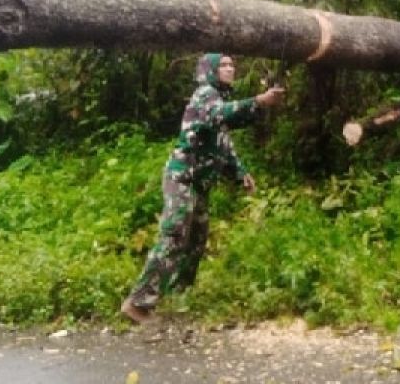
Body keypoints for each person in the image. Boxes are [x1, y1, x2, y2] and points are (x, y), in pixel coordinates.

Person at [120, 53, 285, 324]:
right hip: (181, 179)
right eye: (224, 65)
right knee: (174, 236)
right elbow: (220, 114)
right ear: (209, 70)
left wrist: (240, 173)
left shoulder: (218, 98)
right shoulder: (204, 94)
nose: (230, 69)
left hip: (199, 184)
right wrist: (258, 100)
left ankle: (177, 296)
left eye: (232, 65)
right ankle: (137, 304)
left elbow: (224, 141)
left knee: (196, 241)